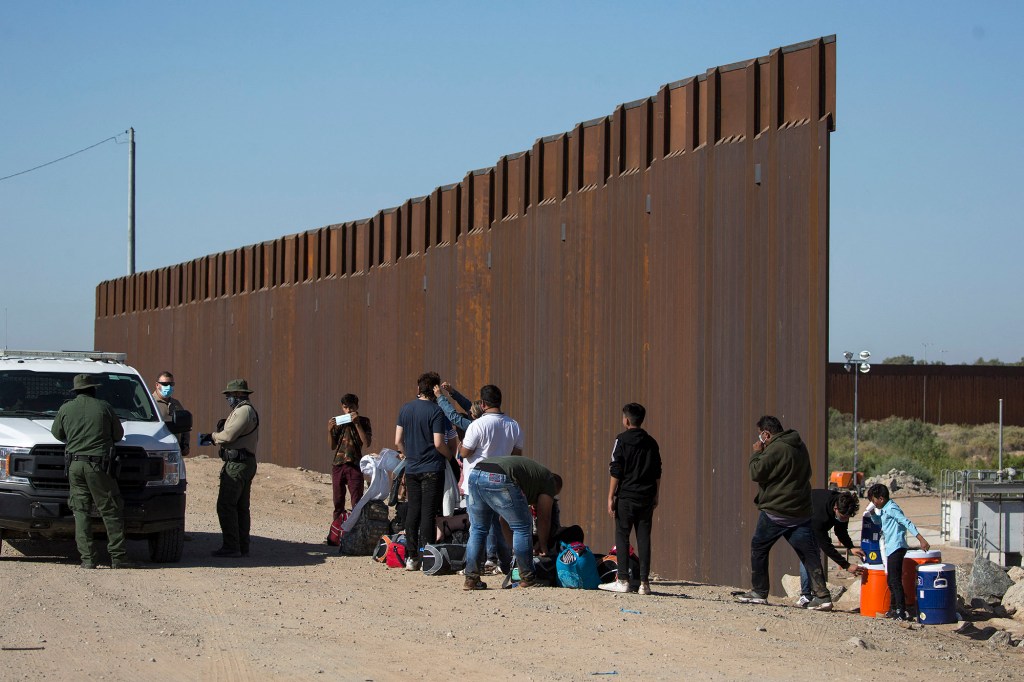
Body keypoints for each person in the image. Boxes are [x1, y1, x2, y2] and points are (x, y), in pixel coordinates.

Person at [735, 416, 833, 610]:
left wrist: (756, 453)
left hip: (776, 510)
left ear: (765, 434)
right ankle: (822, 596)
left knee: (759, 548)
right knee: (809, 554)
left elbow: (756, 472)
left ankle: (759, 592)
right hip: (800, 511)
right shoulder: (799, 445)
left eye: (760, 434)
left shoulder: (776, 448)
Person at [50, 374, 132, 569]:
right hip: (99, 467)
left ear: (76, 391)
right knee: (110, 510)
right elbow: (118, 435)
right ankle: (118, 558)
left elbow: (57, 433)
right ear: (93, 389)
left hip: (75, 465)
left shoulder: (66, 408)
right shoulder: (104, 407)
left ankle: (87, 559)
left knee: (81, 512)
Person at [463, 455, 561, 590]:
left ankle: (471, 579)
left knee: (478, 529)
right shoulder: (549, 482)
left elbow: (503, 519)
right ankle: (528, 578)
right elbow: (544, 517)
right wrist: (543, 545)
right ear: (555, 489)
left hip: (475, 473)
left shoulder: (532, 478)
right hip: (500, 477)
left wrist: (516, 550)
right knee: (522, 527)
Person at [599, 402, 661, 596]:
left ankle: (623, 580)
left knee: (622, 535)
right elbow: (657, 470)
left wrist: (610, 496)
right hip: (646, 496)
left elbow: (615, 469)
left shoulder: (621, 440)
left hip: (626, 496)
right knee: (644, 538)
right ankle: (644, 583)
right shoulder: (651, 442)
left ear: (626, 420)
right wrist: (656, 494)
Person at [395, 372, 452, 571]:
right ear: (434, 389)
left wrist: (409, 455)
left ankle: (412, 557)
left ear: (419, 389)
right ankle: (427, 555)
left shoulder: (405, 409)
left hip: (412, 468)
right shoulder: (436, 411)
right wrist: (450, 456)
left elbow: (398, 441)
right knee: (428, 514)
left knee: (413, 511)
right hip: (432, 468)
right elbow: (438, 442)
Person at [865, 483, 931, 620]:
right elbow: (879, 522)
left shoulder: (892, 508)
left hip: (897, 546)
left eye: (874, 500)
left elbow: (906, 522)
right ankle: (893, 609)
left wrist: (921, 539)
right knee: (891, 580)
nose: (873, 503)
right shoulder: (884, 509)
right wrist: (872, 513)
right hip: (891, 548)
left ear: (881, 498)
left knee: (895, 580)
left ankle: (901, 610)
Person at [211, 379, 260, 558]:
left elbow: (229, 435)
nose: (228, 399)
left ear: (239, 394)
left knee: (226, 505)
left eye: (230, 395)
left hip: (238, 464)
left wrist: (214, 436)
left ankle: (232, 546)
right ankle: (241, 545)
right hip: (243, 462)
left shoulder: (244, 410)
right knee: (240, 507)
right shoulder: (243, 410)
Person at [796, 489, 866, 607]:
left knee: (812, 555)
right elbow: (826, 546)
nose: (845, 520)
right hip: (801, 519)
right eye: (843, 517)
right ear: (835, 509)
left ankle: (813, 594)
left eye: (847, 518)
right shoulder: (820, 516)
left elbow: (841, 530)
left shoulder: (843, 504)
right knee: (809, 555)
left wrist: (850, 547)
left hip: (815, 518)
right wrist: (846, 565)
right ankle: (806, 595)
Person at [327, 393, 372, 522]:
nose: (348, 411)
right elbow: (332, 446)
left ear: (357, 406)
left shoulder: (364, 421)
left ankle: (354, 533)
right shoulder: (338, 422)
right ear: (342, 408)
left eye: (351, 407)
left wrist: (357, 424)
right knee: (338, 501)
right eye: (346, 408)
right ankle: (336, 533)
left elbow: (367, 442)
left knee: (357, 501)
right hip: (338, 464)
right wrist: (329, 430)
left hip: (354, 464)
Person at [152, 371, 190, 457]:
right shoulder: (150, 403)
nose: (168, 387)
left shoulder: (176, 404)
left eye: (171, 384)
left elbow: (184, 427)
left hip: (175, 450)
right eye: (165, 384)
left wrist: (185, 445)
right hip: (156, 451)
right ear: (157, 385)